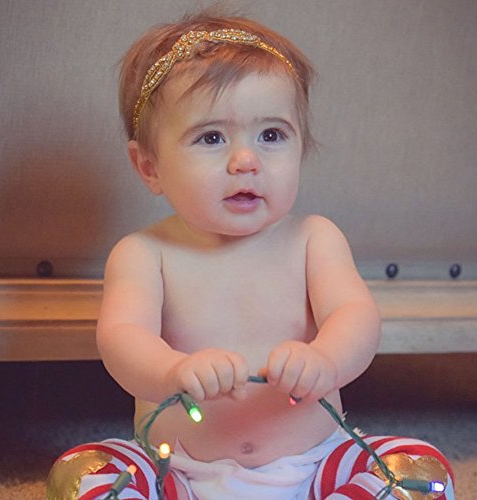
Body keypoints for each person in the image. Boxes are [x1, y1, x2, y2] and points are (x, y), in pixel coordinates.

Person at [47, 10, 454, 500]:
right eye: (212, 137)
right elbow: (121, 339)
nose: (246, 161)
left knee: (419, 470)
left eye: (271, 135)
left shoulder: (314, 238)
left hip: (315, 463)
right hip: (177, 468)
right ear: (149, 166)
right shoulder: (144, 254)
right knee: (81, 473)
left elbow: (356, 316)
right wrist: (172, 372)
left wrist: (325, 359)